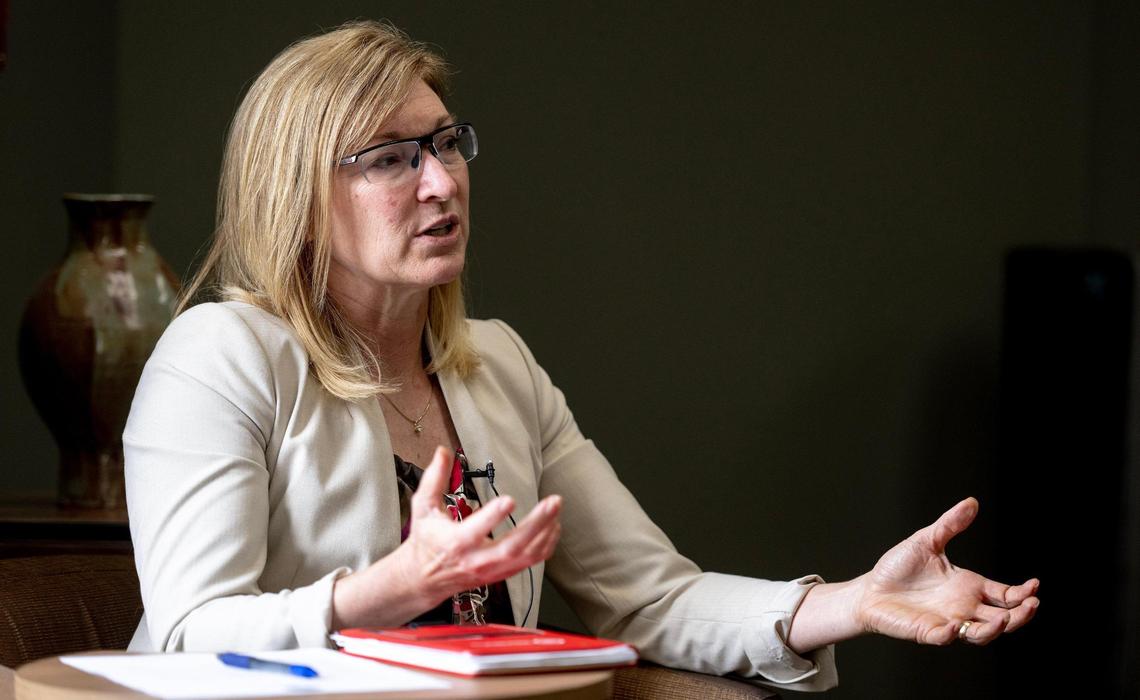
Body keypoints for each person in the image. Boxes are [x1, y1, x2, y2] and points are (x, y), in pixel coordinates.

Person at [123, 20, 1039, 692]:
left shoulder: (497, 365)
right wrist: (382, 592)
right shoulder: (222, 355)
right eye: (393, 158)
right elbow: (187, 635)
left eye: (447, 143)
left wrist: (852, 600)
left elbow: (648, 597)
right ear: (297, 192)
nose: (442, 181)